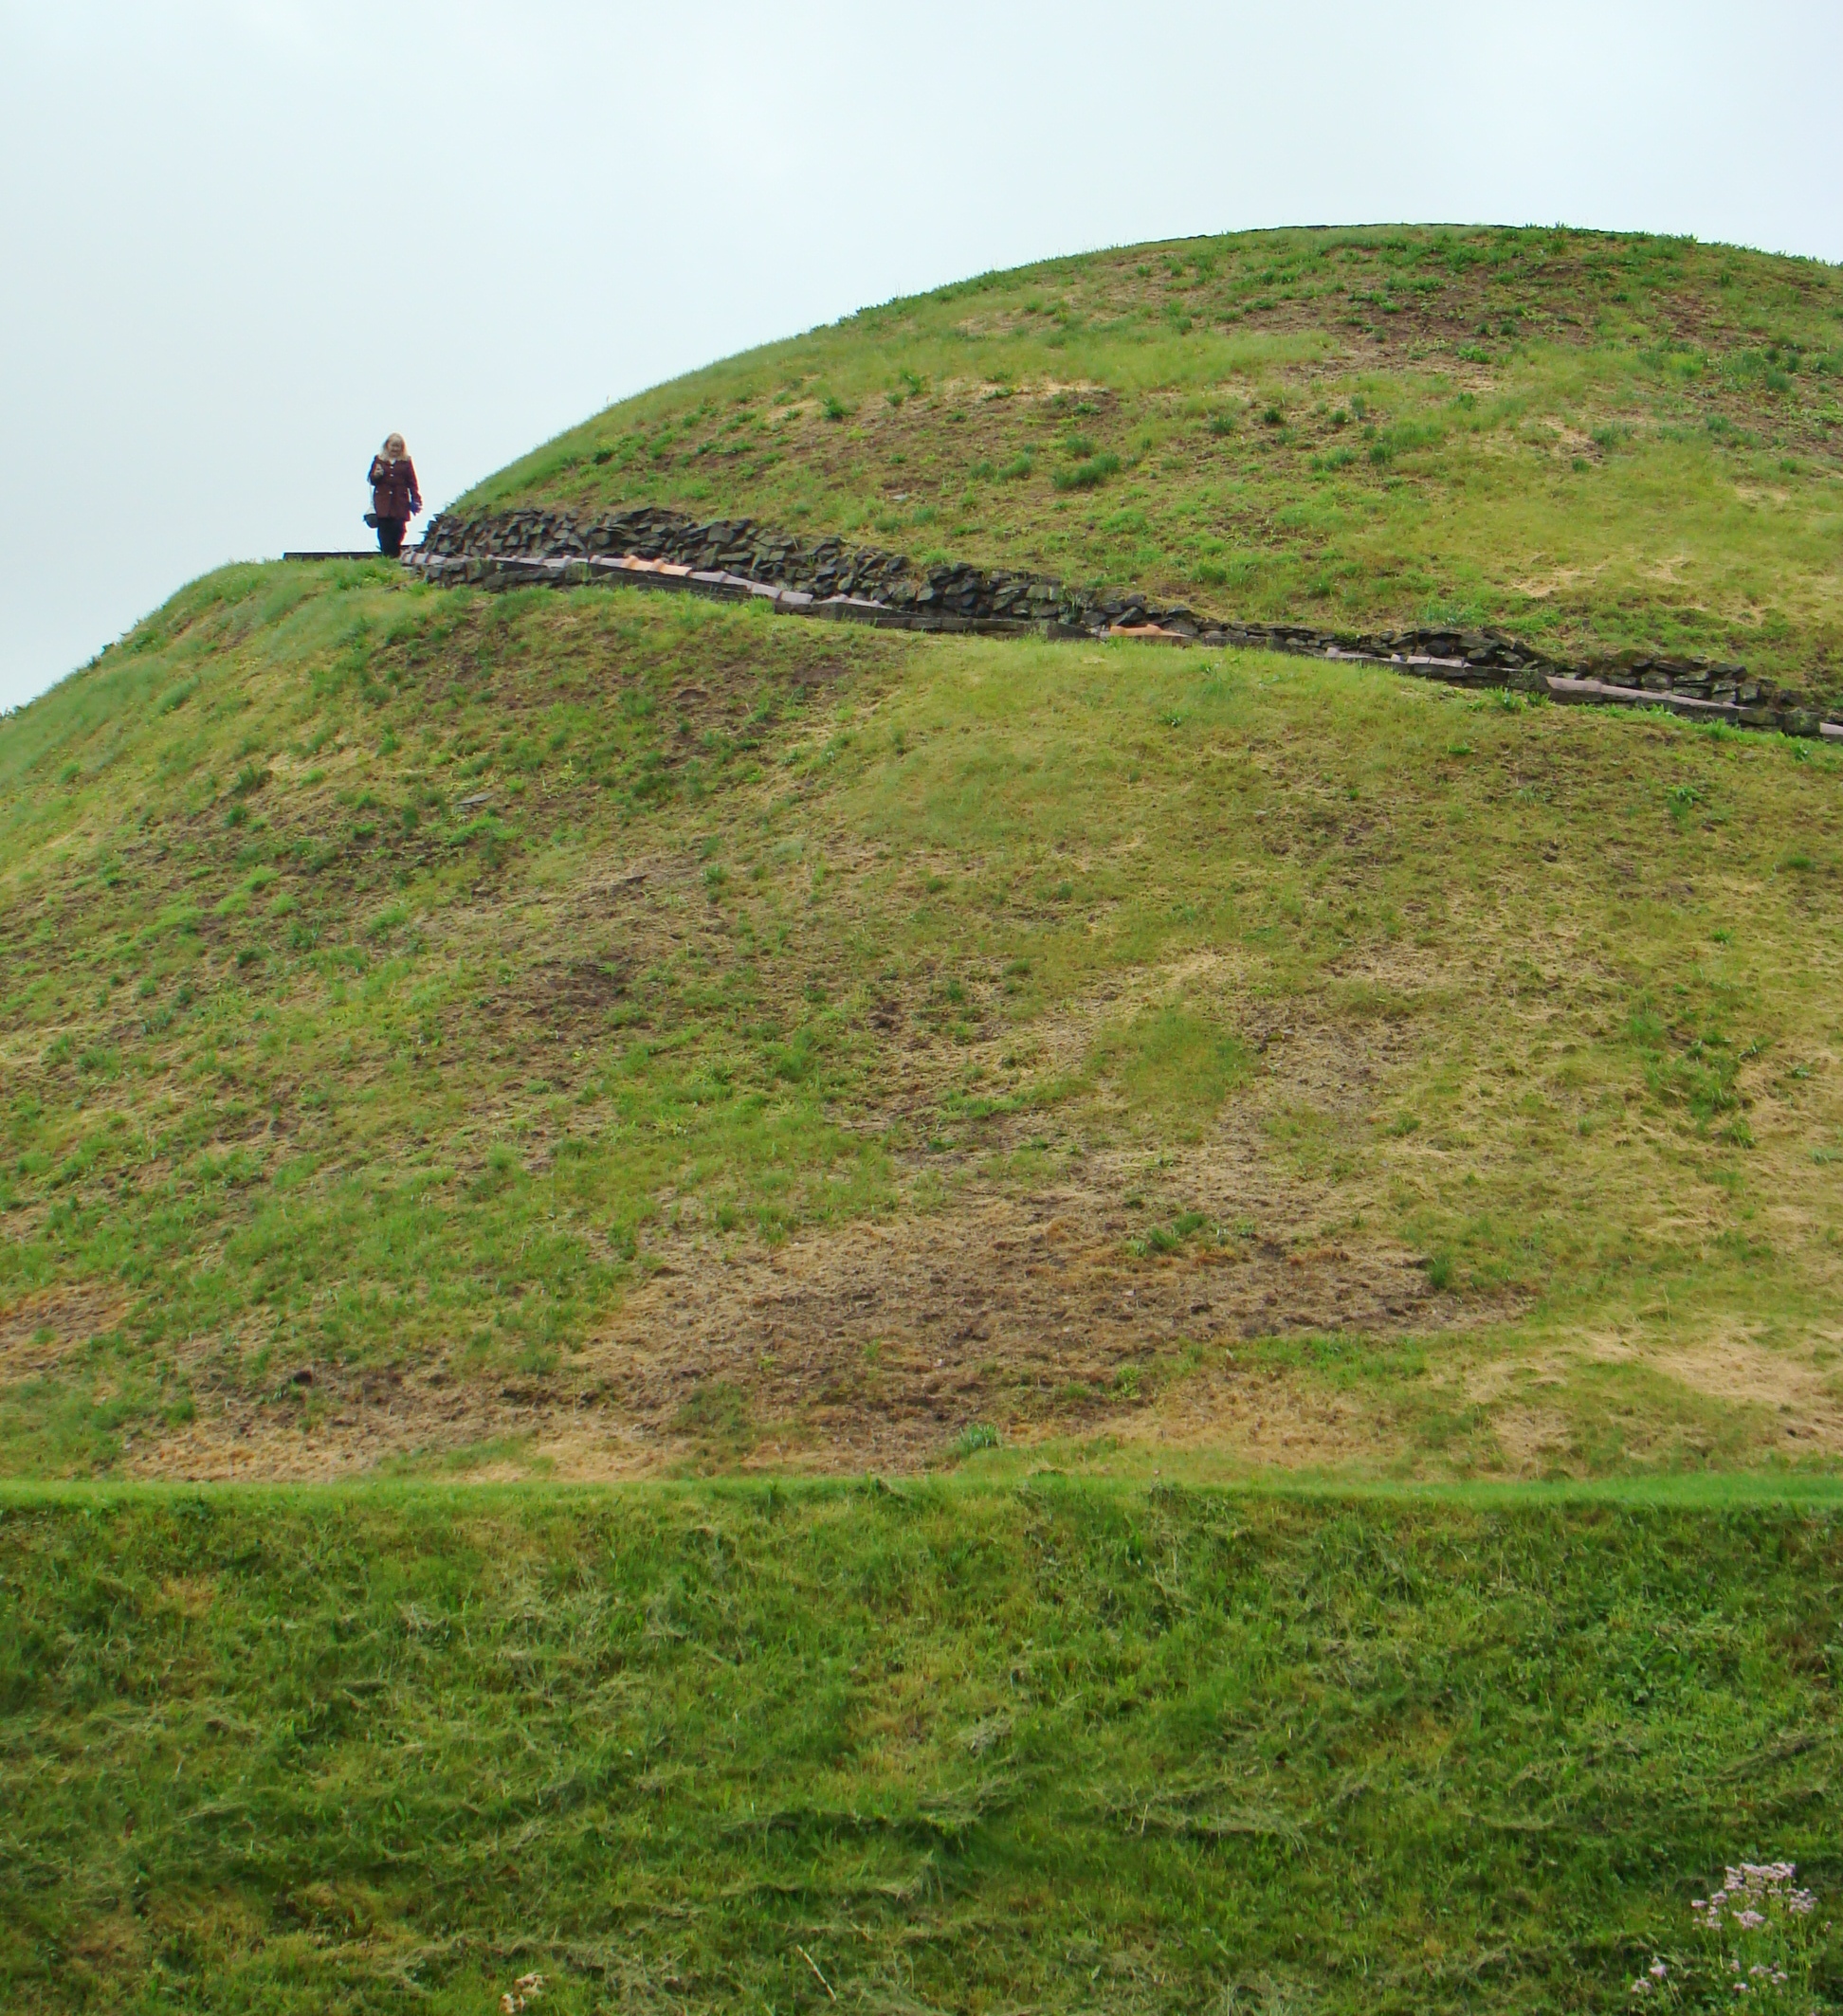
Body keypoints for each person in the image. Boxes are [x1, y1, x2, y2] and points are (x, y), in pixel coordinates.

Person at [366, 433, 422, 556]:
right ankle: (387, 556)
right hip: (383, 501)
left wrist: (416, 499)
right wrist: (377, 475)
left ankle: (394, 553)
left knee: (399, 528)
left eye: (398, 446)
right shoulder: (379, 460)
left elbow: (412, 482)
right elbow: (371, 480)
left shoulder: (406, 461)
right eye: (393, 446)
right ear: (387, 445)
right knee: (384, 529)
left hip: (400, 501)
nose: (395, 449)